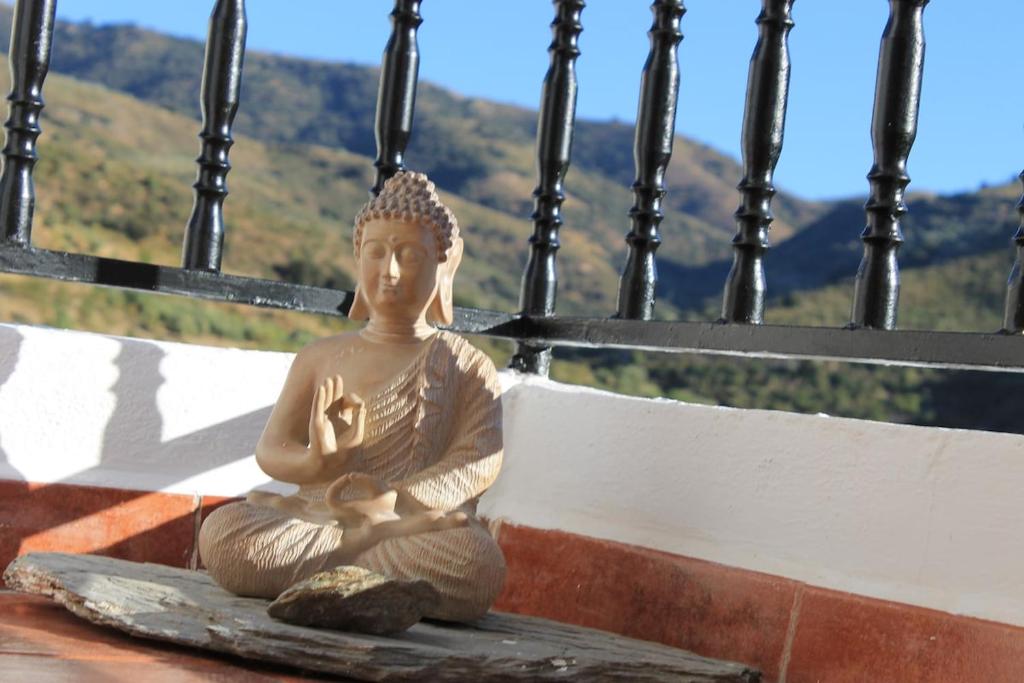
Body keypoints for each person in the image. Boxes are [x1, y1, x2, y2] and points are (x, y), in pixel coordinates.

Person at [199, 172, 506, 622]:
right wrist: (313, 465)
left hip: (408, 525)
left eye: (410, 255)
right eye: (376, 252)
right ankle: (360, 567)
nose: (391, 271)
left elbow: (477, 461)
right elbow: (272, 449)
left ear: (444, 266)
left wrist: (390, 503)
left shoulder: (465, 364)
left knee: (476, 565)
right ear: (357, 258)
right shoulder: (320, 356)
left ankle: (328, 573)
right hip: (319, 515)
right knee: (225, 535)